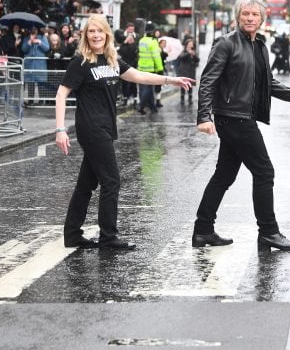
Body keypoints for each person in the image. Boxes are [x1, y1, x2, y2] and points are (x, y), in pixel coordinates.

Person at [55, 14, 194, 250]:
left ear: (107, 34)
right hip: (91, 128)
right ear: (86, 36)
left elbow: (139, 76)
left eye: (100, 31)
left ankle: (72, 234)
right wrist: (60, 129)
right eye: (91, 32)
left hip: (106, 127)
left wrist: (170, 80)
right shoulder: (81, 62)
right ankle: (108, 237)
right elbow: (61, 93)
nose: (96, 35)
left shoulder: (112, 61)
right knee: (111, 181)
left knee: (86, 184)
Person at [193, 0, 290, 252]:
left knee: (224, 175)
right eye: (245, 13)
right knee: (264, 172)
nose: (250, 18)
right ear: (238, 16)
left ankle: (203, 230)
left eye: (255, 14)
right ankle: (269, 232)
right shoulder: (225, 43)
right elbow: (208, 81)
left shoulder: (259, 45)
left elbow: (267, 83)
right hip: (233, 118)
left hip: (243, 117)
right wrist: (204, 116)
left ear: (262, 18)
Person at [137, 22, 163, 114]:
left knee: (143, 88)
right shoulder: (153, 42)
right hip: (150, 69)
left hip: (140, 68)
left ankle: (152, 107)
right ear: (152, 31)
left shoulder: (141, 40)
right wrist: (160, 68)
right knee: (148, 89)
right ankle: (141, 106)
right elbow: (156, 56)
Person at [175, 38, 200, 105]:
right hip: (184, 70)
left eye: (191, 44)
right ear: (186, 45)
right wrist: (188, 53)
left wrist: (194, 56)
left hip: (191, 70)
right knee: (183, 84)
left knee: (190, 84)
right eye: (189, 44)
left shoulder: (193, 51)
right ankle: (182, 99)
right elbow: (181, 57)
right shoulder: (183, 51)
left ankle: (190, 98)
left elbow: (197, 60)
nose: (190, 45)